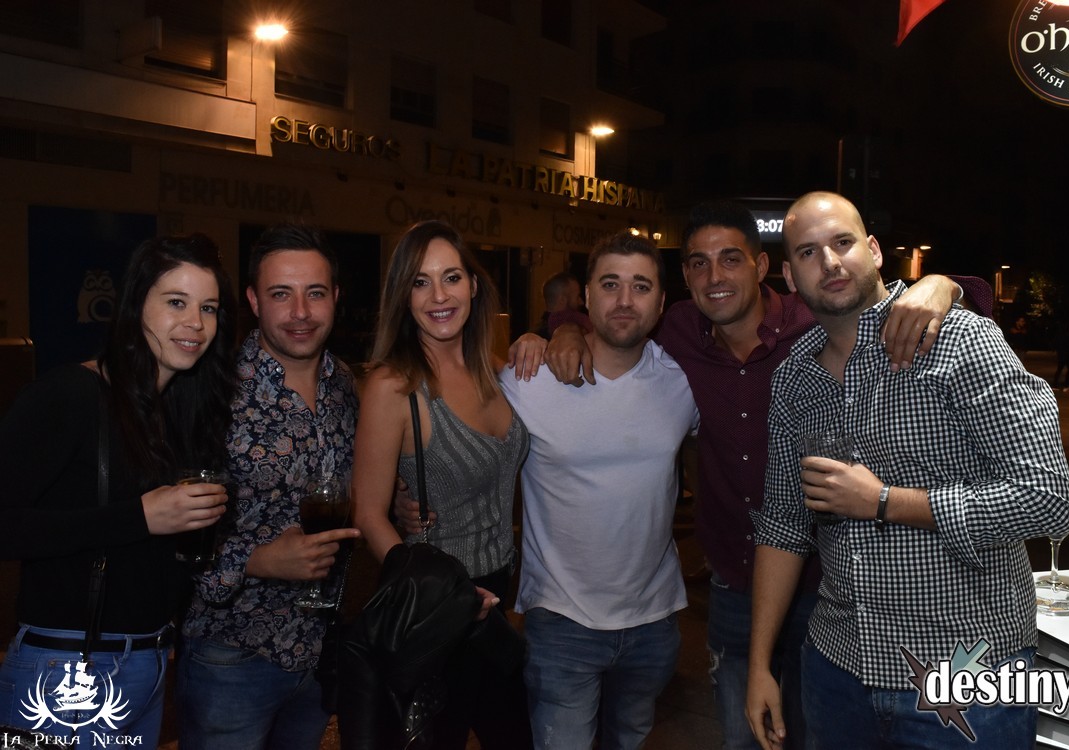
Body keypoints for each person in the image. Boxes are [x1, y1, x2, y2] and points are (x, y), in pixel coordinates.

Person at [523, 200, 972, 750]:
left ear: (762, 268)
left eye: (731, 259)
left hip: (829, 585)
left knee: (816, 734)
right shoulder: (678, 333)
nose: (715, 277)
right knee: (744, 737)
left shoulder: (813, 322)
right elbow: (616, 316)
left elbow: (897, 303)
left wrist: (943, 285)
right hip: (735, 584)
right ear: (684, 279)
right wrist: (564, 327)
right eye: (699, 263)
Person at [745, 191, 1069, 749]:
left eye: (843, 242)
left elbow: (1048, 499)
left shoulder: (960, 341)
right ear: (789, 276)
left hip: (967, 670)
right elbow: (783, 525)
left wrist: (884, 501)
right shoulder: (794, 378)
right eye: (808, 252)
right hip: (836, 668)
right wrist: (758, 665)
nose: (830, 262)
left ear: (873, 250)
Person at [0, 233, 237, 749]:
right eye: (176, 302)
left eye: (208, 308)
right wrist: (139, 517)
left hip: (147, 663)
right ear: (135, 306)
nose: (196, 323)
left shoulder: (173, 413)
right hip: (66, 669)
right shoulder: (69, 395)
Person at [501, 232, 699, 749]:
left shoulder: (682, 382)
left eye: (641, 286)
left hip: (654, 620)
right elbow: (464, 442)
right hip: (561, 620)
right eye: (610, 285)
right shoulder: (528, 379)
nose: (625, 300)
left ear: (661, 302)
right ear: (586, 296)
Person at [177, 224, 360, 750]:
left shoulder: (346, 385)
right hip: (231, 656)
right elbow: (166, 534)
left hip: (319, 650)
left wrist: (396, 498)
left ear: (335, 297)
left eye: (315, 293)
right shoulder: (210, 392)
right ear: (254, 301)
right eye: (281, 294)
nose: (300, 312)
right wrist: (257, 560)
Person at [351, 219, 532, 748]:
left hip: (499, 598)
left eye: (451, 277)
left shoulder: (495, 370)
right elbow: (367, 514)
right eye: (420, 282)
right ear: (403, 296)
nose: (438, 296)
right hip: (436, 613)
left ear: (473, 285)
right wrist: (441, 592)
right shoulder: (394, 386)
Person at [533, 271, 590, 339]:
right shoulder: (579, 333)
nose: (582, 302)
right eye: (577, 297)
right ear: (562, 300)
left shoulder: (536, 335)